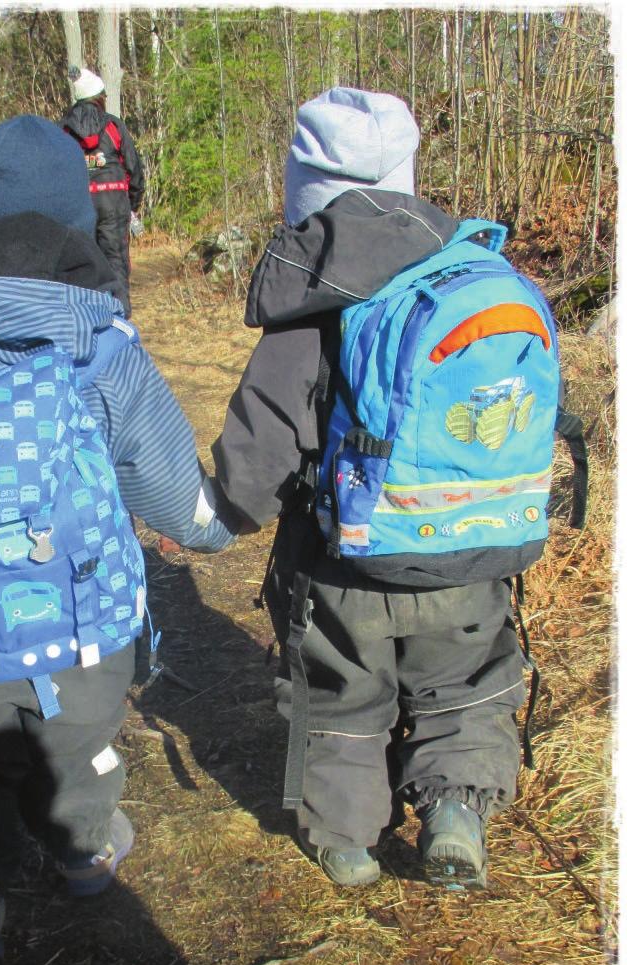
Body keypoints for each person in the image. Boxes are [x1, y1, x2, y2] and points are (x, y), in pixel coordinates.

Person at [0, 114, 234, 965]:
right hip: (84, 609)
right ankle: (84, 851)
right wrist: (206, 530)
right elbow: (161, 472)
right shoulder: (101, 348)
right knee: (81, 730)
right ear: (76, 216)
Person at [211, 88, 528, 890]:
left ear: (301, 184)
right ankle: (454, 811)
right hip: (469, 545)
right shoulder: (468, 266)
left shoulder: (312, 305)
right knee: (464, 683)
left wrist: (230, 511)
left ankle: (347, 840)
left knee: (339, 695)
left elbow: (260, 443)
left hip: (341, 561)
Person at [60, 70, 145, 316]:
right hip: (114, 202)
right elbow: (133, 168)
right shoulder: (112, 125)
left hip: (80, 206)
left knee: (83, 266)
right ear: (98, 97)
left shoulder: (64, 130)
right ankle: (121, 323)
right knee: (116, 263)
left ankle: (87, 323)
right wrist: (133, 204)